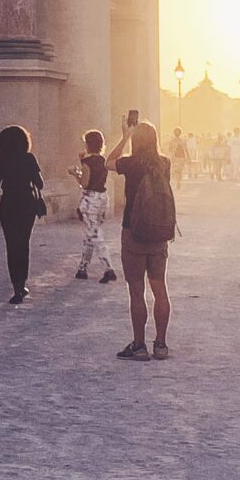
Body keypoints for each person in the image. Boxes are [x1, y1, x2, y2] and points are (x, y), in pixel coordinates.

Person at [112, 119, 177, 360]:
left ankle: (139, 345)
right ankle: (161, 344)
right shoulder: (165, 163)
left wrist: (125, 137)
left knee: (136, 291)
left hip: (133, 231)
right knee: (160, 289)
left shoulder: (130, 164)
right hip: (159, 233)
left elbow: (107, 161)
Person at [0, 125, 42, 306]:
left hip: (9, 204)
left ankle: (17, 287)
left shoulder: (1, 160)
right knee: (23, 244)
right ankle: (23, 283)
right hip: (27, 204)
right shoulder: (29, 158)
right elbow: (40, 184)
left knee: (11, 245)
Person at [74, 129, 115, 284]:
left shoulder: (86, 162)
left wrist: (75, 173)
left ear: (87, 144)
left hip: (90, 199)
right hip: (103, 198)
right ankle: (82, 268)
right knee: (90, 234)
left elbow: (84, 183)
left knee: (95, 235)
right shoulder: (104, 160)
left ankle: (108, 268)